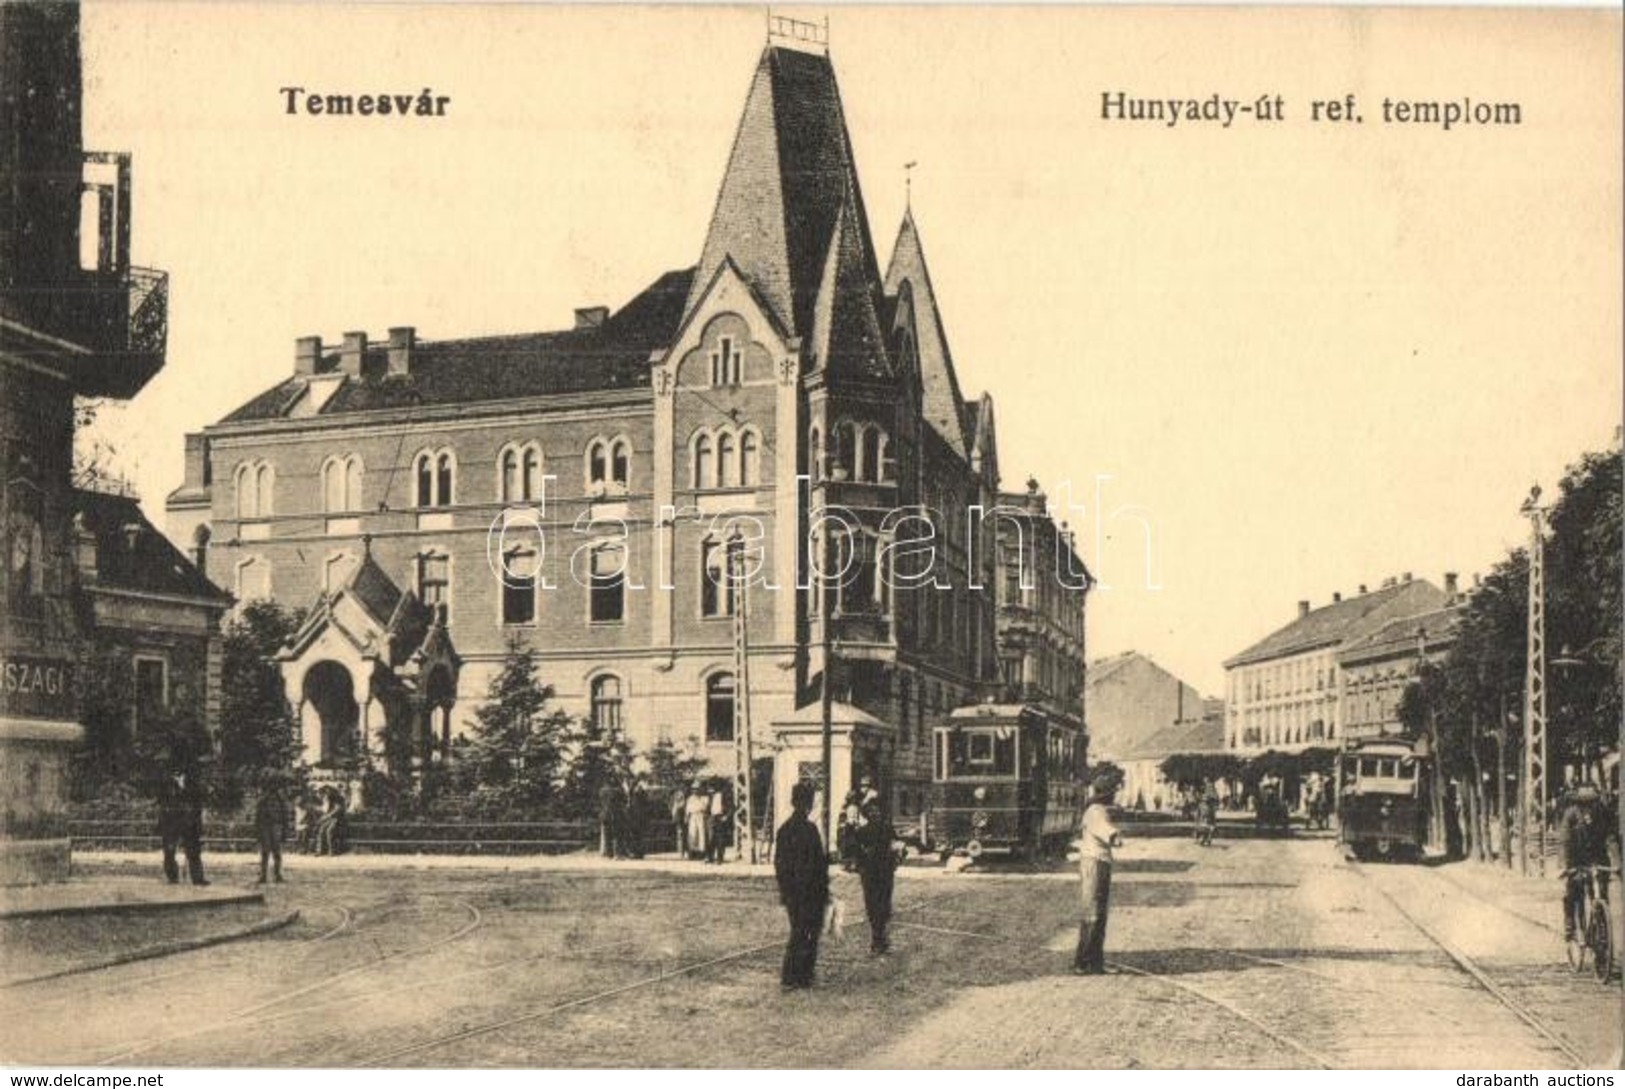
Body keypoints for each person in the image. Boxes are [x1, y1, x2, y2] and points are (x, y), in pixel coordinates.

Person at [774, 781, 830, 990]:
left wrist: (785, 891)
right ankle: (801, 975)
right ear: (807, 804)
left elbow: (780, 865)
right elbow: (820, 864)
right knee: (809, 932)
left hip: (793, 892)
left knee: (798, 930)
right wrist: (824, 889)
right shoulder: (810, 830)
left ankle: (793, 976)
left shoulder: (784, 830)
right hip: (811, 891)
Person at [1073, 780, 1122, 975]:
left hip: (1097, 861)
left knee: (1098, 912)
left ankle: (1094, 961)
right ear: (1107, 794)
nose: (1114, 795)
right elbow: (1105, 831)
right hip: (1095, 862)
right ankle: (1084, 962)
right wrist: (1115, 837)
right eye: (1113, 792)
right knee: (1093, 912)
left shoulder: (1096, 808)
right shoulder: (1096, 810)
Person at [853, 790, 899, 955]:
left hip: (885, 872)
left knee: (885, 905)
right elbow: (856, 853)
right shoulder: (861, 832)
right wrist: (861, 865)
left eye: (877, 810)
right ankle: (876, 938)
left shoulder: (888, 829)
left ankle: (881, 938)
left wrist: (896, 858)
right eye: (871, 811)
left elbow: (898, 847)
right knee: (872, 905)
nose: (874, 813)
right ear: (867, 814)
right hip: (870, 873)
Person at [1559, 786, 1607, 941]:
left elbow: (1610, 836)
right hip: (1576, 859)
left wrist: (1618, 863)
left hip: (1597, 858)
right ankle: (1569, 922)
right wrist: (1567, 866)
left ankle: (1602, 933)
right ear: (1578, 804)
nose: (1588, 807)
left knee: (1602, 894)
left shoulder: (1601, 814)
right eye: (1584, 803)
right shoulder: (1570, 815)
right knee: (1573, 890)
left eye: (1591, 803)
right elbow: (1565, 841)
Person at [157, 757, 208, 886]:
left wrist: (196, 819)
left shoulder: (192, 782)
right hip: (171, 822)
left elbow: (198, 802)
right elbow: (161, 802)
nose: (177, 772)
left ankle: (198, 878)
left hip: (189, 822)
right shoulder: (165, 782)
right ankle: (172, 877)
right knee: (169, 851)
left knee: (194, 851)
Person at [254, 776, 288, 884]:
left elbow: (284, 816)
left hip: (276, 826)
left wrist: (284, 830)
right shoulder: (263, 799)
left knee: (276, 852)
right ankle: (263, 875)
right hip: (265, 826)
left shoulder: (280, 799)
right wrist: (258, 831)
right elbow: (258, 816)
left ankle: (277, 874)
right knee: (265, 852)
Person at [684, 782, 710, 861]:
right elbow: (688, 809)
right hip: (693, 816)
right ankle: (692, 852)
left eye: (697, 789)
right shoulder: (690, 798)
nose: (696, 791)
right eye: (694, 789)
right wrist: (686, 817)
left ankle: (702, 852)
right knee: (692, 833)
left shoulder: (705, 798)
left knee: (701, 834)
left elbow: (705, 807)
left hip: (701, 816)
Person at [598, 781, 624, 859]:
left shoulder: (601, 791)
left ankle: (609, 854)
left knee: (607, 835)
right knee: (616, 834)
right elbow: (622, 801)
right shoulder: (616, 791)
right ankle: (617, 854)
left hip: (604, 815)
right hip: (614, 815)